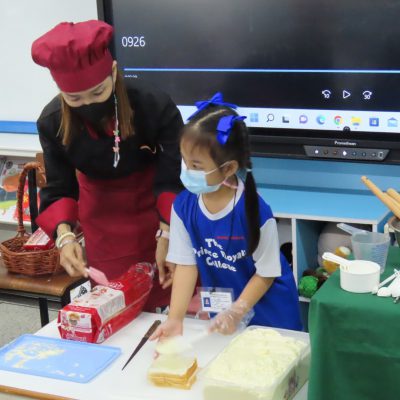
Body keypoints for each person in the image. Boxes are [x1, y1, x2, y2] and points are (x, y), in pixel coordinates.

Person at [31, 20, 182, 310]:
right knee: (116, 304)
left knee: (170, 296)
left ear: (113, 72)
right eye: (74, 98)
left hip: (157, 208)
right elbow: (60, 187)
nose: (88, 104)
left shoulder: (152, 105)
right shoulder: (52, 121)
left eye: (98, 93)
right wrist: (65, 237)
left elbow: (172, 175)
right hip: (102, 220)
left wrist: (168, 233)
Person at [151, 93, 302, 339]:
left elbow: (266, 273)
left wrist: (237, 311)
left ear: (229, 168)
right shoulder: (183, 207)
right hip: (224, 317)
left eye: (196, 166)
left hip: (270, 316)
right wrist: (175, 320)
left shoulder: (254, 211)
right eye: (184, 161)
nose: (187, 171)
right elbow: (186, 265)